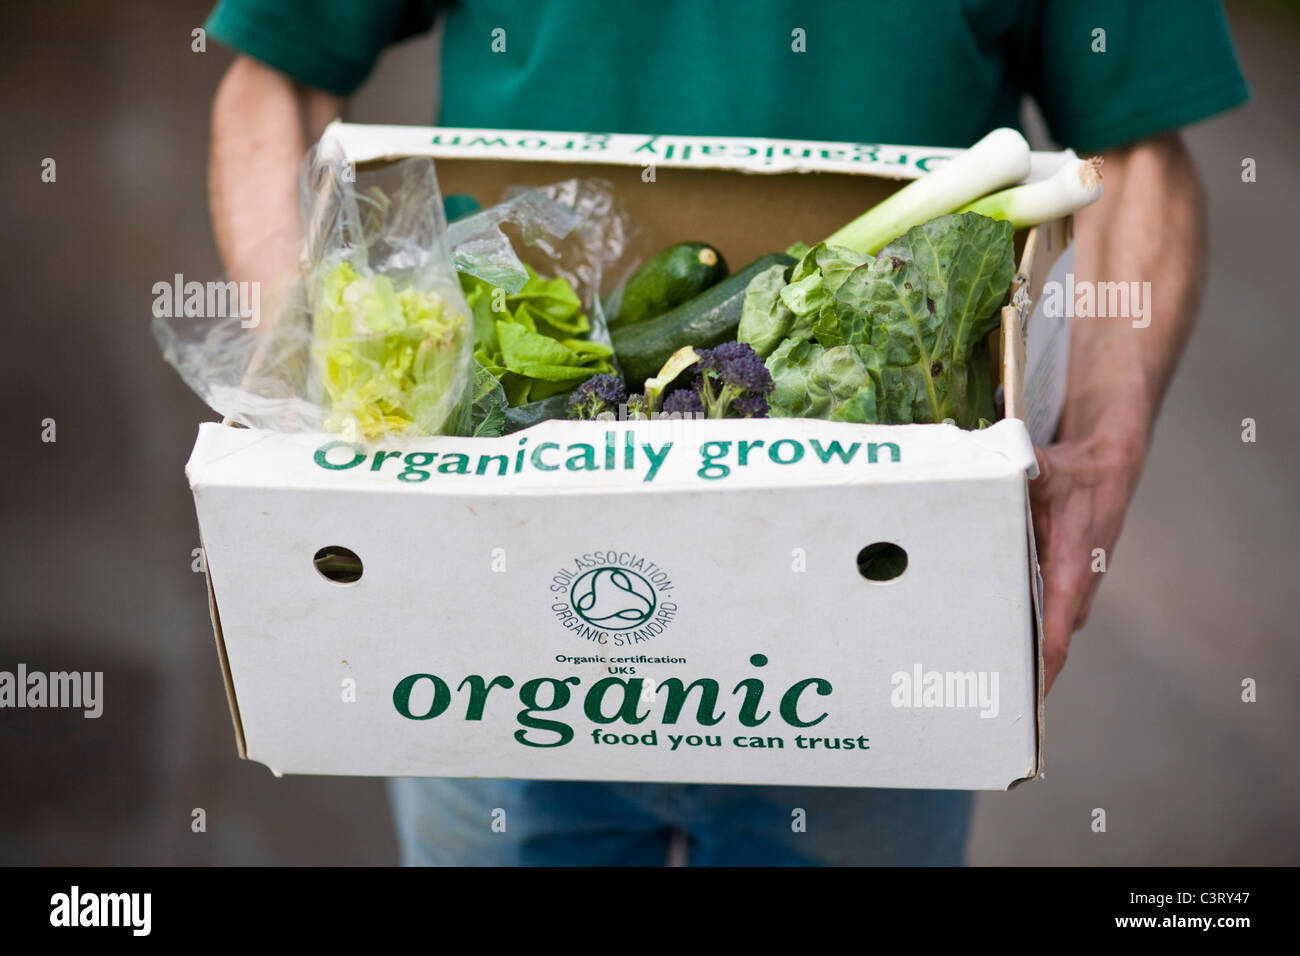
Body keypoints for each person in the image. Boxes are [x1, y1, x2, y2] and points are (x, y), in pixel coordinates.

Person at [203, 0, 1248, 865]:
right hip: (490, 615)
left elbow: (1136, 144)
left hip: (875, 634)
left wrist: (1104, 442)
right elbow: (274, 74)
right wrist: (320, 368)